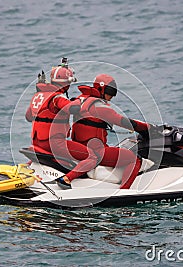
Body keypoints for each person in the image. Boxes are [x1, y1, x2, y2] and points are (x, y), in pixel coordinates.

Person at [25, 58, 99, 189]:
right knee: (93, 156)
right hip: (54, 144)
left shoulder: (38, 96)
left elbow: (28, 117)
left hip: (37, 142)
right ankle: (66, 179)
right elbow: (73, 109)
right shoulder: (57, 97)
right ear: (66, 83)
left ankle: (26, 169)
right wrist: (79, 101)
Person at [70, 74, 151, 189]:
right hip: (96, 151)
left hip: (80, 147)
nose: (111, 97)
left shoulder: (81, 100)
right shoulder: (98, 105)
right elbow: (122, 121)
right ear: (101, 89)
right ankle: (124, 191)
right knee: (134, 159)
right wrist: (147, 128)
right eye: (109, 92)